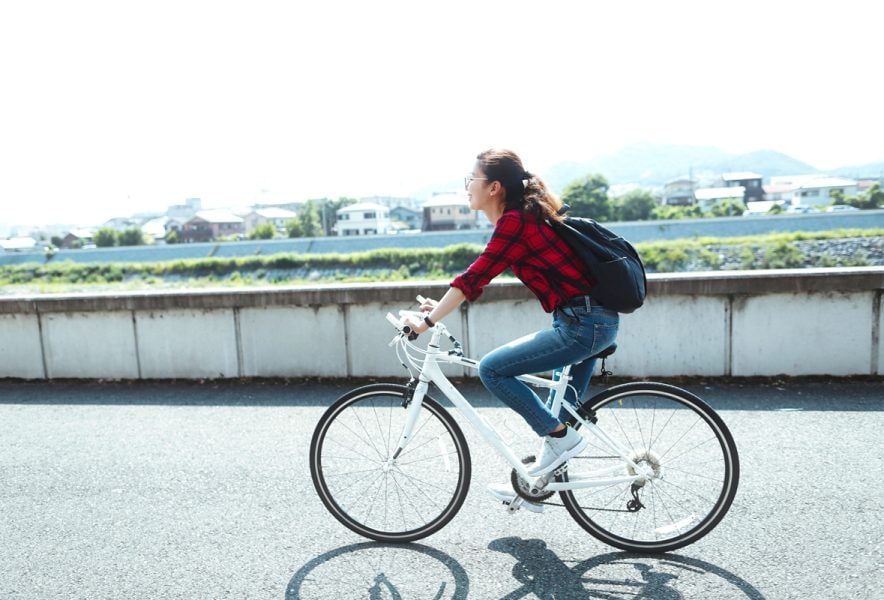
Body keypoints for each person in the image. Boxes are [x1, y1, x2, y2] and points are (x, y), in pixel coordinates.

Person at [404, 149, 619, 507]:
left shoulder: (516, 222)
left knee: (492, 369)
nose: (467, 187)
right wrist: (438, 309)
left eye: (471, 179)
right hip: (591, 320)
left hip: (583, 324)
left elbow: (474, 276)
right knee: (557, 418)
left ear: (494, 187)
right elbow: (479, 279)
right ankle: (533, 487)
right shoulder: (522, 219)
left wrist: (426, 323)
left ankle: (563, 441)